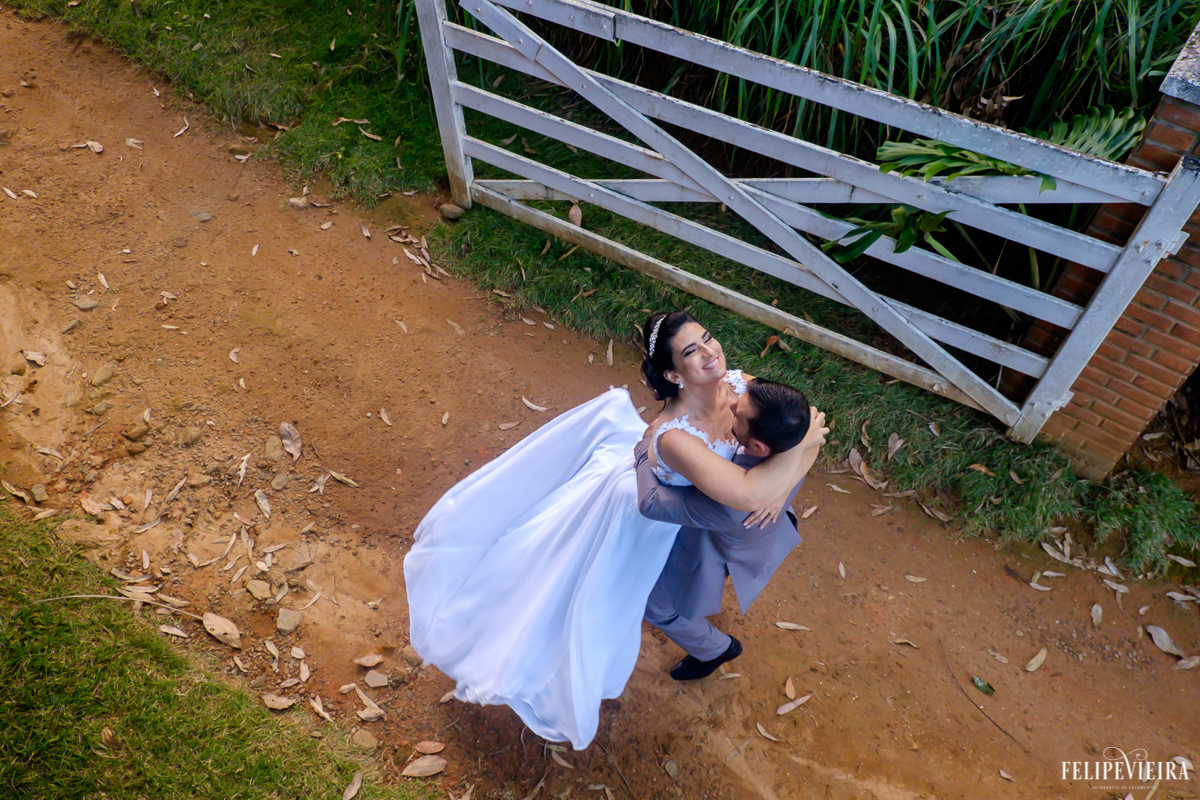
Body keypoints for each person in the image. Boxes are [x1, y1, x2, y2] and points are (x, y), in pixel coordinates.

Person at [403, 310, 826, 749]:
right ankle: (711, 647)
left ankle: (709, 638)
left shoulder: (743, 386)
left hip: (708, 519)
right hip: (649, 519)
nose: (709, 352)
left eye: (707, 338)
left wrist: (788, 475)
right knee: (635, 600)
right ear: (672, 374)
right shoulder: (674, 437)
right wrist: (795, 458)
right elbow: (754, 483)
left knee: (673, 588)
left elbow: (808, 425)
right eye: (690, 351)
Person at [635, 377, 818, 681]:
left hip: (717, 546)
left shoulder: (728, 505)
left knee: (658, 608)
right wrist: (783, 490)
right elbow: (815, 427)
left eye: (737, 416)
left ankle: (715, 649)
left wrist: (645, 447)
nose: (732, 404)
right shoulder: (798, 427)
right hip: (765, 528)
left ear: (758, 446)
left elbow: (651, 503)